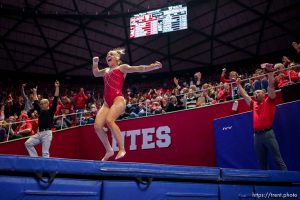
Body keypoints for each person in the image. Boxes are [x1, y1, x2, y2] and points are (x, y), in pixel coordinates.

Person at [92, 48, 162, 161]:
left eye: (111, 54)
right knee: (97, 126)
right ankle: (109, 150)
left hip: (118, 100)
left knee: (110, 121)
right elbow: (95, 73)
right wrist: (95, 63)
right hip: (106, 103)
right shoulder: (105, 70)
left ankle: (122, 149)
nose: (108, 56)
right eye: (107, 55)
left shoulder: (122, 68)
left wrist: (153, 66)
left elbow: (139, 68)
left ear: (117, 58)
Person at [236, 64, 287, 170]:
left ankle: (289, 183)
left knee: (278, 159)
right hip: (257, 136)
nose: (255, 94)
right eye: (254, 92)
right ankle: (265, 185)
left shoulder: (270, 101)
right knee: (262, 162)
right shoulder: (253, 104)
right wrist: (238, 84)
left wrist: (270, 72)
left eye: (258, 92)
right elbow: (245, 95)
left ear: (264, 93)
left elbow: (271, 86)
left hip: (268, 134)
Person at [24, 81, 59, 158]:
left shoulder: (51, 110)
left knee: (45, 153)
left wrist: (57, 87)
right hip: (39, 133)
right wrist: (35, 92)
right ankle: (35, 159)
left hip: (47, 133)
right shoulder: (40, 111)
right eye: (41, 103)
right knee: (28, 143)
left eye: (43, 103)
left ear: (47, 104)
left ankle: (46, 168)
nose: (41, 104)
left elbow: (56, 98)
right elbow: (36, 101)